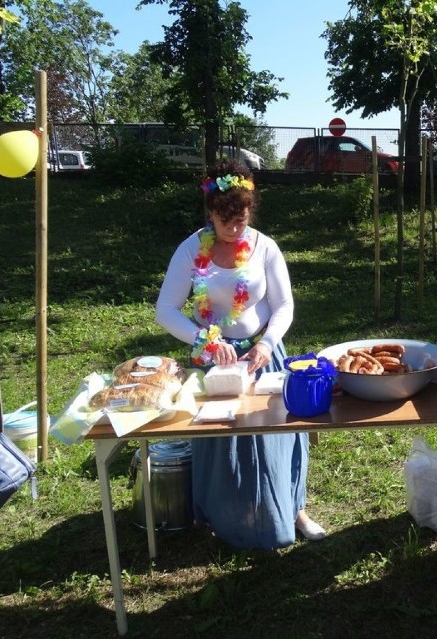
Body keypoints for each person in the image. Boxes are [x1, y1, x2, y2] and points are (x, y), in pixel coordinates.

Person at [155, 158, 326, 547]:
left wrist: (266, 343)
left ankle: (293, 508)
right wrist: (205, 342)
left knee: (278, 438)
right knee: (221, 440)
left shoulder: (265, 247)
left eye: (242, 221)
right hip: (215, 361)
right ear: (210, 213)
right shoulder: (189, 251)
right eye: (225, 221)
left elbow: (284, 305)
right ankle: (228, 518)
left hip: (264, 355)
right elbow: (165, 310)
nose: (234, 229)